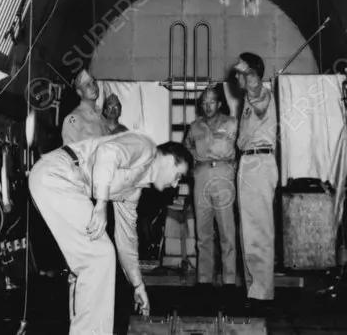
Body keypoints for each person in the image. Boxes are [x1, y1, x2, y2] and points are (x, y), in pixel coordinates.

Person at [28, 132, 193, 335]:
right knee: (100, 256)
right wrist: (102, 204)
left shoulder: (133, 190)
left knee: (88, 259)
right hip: (57, 174)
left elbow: (126, 240)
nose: (175, 185)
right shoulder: (145, 147)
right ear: (168, 159)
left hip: (61, 182)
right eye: (178, 176)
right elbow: (108, 152)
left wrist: (138, 284)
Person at [234, 52, 278, 309]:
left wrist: (249, 71)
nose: (236, 77)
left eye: (241, 72)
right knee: (248, 231)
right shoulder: (247, 102)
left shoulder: (260, 94)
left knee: (259, 230)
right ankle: (254, 288)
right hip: (249, 163)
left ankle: (261, 293)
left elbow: (256, 91)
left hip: (259, 163)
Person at [185, 84, 238, 289]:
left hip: (224, 175)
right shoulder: (195, 127)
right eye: (204, 102)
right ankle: (204, 280)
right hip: (201, 176)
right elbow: (187, 146)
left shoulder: (232, 123)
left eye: (212, 102)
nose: (208, 106)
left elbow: (241, 147)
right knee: (203, 231)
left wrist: (233, 167)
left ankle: (229, 280)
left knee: (226, 230)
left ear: (220, 103)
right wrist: (193, 167)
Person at [62, 68, 107, 145]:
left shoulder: (101, 115)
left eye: (94, 83)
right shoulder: (74, 118)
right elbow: (71, 152)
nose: (93, 87)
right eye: (88, 85)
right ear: (80, 92)